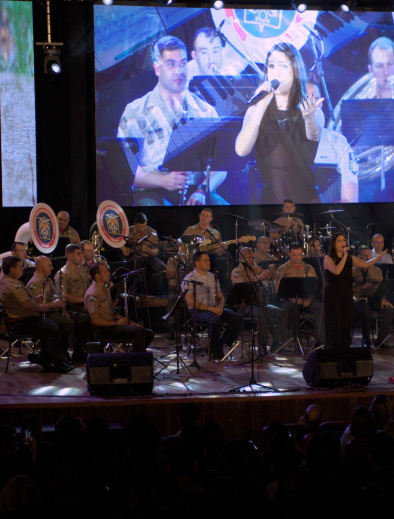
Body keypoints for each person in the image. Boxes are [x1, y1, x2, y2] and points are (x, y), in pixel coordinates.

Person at [116, 35, 226, 206]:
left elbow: (222, 166)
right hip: (152, 191)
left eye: (183, 63)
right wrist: (164, 180)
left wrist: (202, 191)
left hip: (195, 190)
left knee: (223, 210)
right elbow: (128, 171)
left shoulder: (206, 110)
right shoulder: (135, 111)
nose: (179, 71)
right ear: (157, 69)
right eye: (171, 64)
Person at [235, 42, 323, 204]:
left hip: (305, 201)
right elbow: (241, 150)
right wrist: (261, 105)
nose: (277, 72)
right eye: (272, 66)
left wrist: (309, 117)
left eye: (283, 66)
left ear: (295, 70)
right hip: (268, 201)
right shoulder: (256, 109)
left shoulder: (310, 109)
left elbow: (314, 136)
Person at [0, 256, 70, 372]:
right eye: (20, 267)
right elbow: (28, 306)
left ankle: (47, 358)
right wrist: (42, 307)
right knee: (53, 328)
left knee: (54, 326)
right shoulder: (11, 285)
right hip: (19, 323)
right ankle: (54, 362)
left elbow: (22, 301)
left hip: (24, 319)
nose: (23, 269)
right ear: (11, 269)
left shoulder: (11, 281)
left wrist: (35, 299)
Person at [323, 234, 384, 350]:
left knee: (346, 323)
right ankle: (332, 351)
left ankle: (345, 350)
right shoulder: (328, 258)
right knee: (334, 324)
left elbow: (366, 264)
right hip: (333, 295)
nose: (342, 243)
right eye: (339, 241)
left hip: (346, 293)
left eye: (344, 240)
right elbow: (337, 271)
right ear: (333, 244)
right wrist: (345, 256)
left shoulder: (350, 258)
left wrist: (380, 256)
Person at [27, 255, 90, 364]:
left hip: (56, 310)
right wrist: (56, 304)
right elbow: (38, 306)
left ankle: (79, 352)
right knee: (67, 323)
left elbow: (56, 297)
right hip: (46, 313)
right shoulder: (35, 283)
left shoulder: (47, 280)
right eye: (49, 265)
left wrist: (63, 310)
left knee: (82, 318)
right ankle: (63, 354)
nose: (52, 267)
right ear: (41, 267)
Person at [183, 251, 242, 360]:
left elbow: (220, 296)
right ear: (197, 263)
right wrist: (211, 309)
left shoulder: (212, 276)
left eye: (209, 260)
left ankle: (219, 344)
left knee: (237, 318)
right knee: (215, 321)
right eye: (205, 260)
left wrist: (220, 306)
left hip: (214, 307)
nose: (209, 262)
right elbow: (191, 302)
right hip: (198, 310)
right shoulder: (189, 279)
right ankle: (215, 350)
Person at [85, 262, 154, 353]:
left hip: (112, 324)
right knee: (141, 332)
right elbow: (95, 320)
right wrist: (117, 323)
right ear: (97, 276)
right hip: (104, 329)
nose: (109, 273)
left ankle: (133, 356)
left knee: (148, 333)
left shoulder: (105, 289)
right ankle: (137, 362)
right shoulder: (93, 293)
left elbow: (112, 312)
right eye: (105, 272)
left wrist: (130, 322)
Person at [230, 247, 286, 354]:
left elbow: (271, 278)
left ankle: (277, 343)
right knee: (262, 314)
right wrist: (261, 277)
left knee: (282, 313)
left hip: (259, 303)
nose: (252, 260)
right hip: (245, 305)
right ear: (241, 258)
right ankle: (262, 345)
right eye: (249, 257)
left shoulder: (254, 268)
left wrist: (272, 272)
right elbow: (243, 286)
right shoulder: (236, 272)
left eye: (253, 257)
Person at [276, 243, 323, 350]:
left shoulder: (308, 268)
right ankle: (296, 339)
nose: (297, 258)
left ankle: (320, 340)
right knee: (292, 309)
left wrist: (309, 299)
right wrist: (291, 299)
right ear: (289, 254)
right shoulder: (282, 268)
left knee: (320, 307)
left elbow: (315, 286)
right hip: (289, 300)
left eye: (299, 255)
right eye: (294, 255)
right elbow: (278, 290)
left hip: (306, 299)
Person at [352, 246, 394, 349]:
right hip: (358, 300)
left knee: (389, 310)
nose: (368, 257)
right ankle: (367, 340)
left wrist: (383, 299)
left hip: (373, 298)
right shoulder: (353, 270)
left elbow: (382, 288)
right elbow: (348, 289)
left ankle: (380, 341)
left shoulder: (377, 270)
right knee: (365, 311)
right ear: (358, 257)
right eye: (364, 255)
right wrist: (362, 287)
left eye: (369, 255)